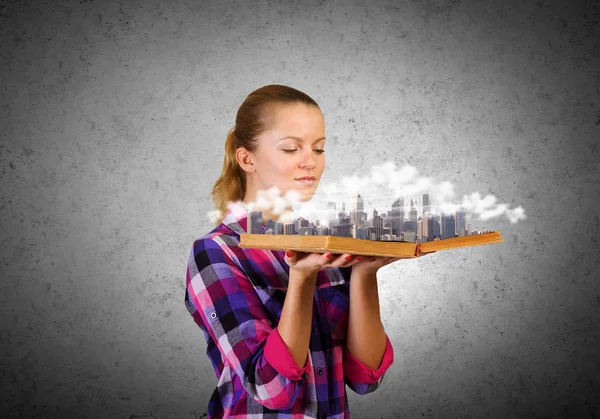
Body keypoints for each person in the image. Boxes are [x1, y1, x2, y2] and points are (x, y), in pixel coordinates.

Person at [184, 84, 433, 418]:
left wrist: (364, 271)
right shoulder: (216, 253)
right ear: (247, 158)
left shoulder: (326, 243)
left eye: (318, 149)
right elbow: (269, 388)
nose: (310, 162)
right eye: (291, 148)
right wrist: (300, 279)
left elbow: (365, 377)